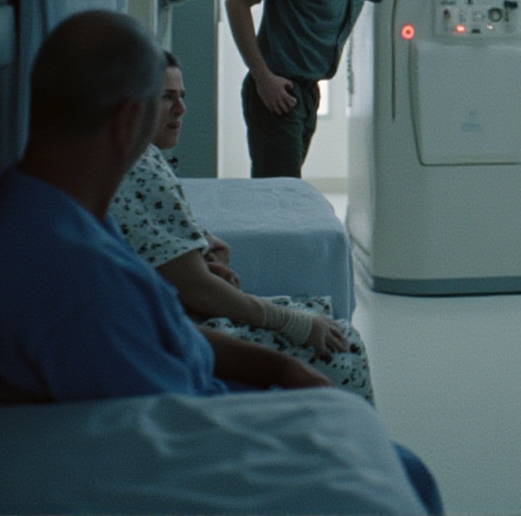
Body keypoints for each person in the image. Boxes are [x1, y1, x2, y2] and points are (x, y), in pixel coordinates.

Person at [0, 11, 440, 514]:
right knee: (400, 475)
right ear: (130, 122)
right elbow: (169, 433)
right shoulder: (80, 284)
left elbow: (170, 331)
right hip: (191, 422)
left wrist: (277, 364)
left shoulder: (52, 206)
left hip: (194, 391)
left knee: (393, 459)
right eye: (161, 104)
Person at [109, 51, 375, 399]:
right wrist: (291, 322)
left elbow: (160, 247)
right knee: (345, 347)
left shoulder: (141, 158)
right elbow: (195, 287)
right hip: (179, 326)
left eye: (183, 97)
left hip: (180, 311)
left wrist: (201, 245)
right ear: (131, 103)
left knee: (323, 311)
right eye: (167, 98)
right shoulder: (136, 172)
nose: (181, 110)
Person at [227, 0, 484, 177]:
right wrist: (263, 78)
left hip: (307, 94)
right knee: (278, 195)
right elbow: (237, 2)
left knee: (286, 191)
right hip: (277, 89)